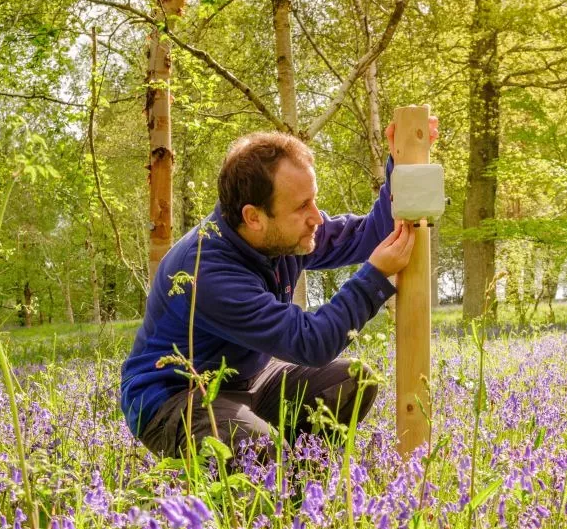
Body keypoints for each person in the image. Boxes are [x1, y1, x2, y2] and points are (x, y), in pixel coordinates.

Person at [119, 124, 427, 458]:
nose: (317, 218)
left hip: (250, 378)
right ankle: (264, 481)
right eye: (301, 206)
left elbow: (368, 235)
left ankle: (302, 473)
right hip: (177, 395)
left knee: (353, 381)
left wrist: (400, 162)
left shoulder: (283, 233)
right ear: (253, 217)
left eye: (314, 200)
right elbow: (312, 342)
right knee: (260, 455)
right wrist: (375, 277)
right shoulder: (205, 270)